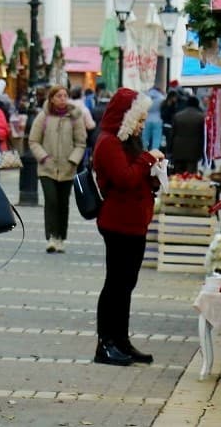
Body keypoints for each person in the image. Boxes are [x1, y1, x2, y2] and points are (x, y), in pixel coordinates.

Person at [91, 87, 163, 367]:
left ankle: (121, 340)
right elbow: (124, 179)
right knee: (116, 284)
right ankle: (105, 343)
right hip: (117, 222)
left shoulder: (128, 141)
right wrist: (147, 160)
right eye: (140, 119)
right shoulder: (108, 142)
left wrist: (155, 173)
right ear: (126, 117)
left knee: (126, 284)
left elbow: (139, 176)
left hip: (135, 222)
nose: (143, 124)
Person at [28, 85, 87, 253]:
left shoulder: (75, 117)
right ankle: (52, 237)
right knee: (51, 201)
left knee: (63, 203)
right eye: (59, 95)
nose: (63, 98)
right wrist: (43, 157)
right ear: (52, 98)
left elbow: (81, 143)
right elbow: (33, 141)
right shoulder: (43, 117)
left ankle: (61, 236)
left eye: (65, 95)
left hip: (67, 168)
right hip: (47, 168)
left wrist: (73, 160)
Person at [168, 94, 206, 175]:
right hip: (193, 151)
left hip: (178, 150)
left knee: (177, 176)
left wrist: (169, 149)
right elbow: (203, 136)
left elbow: (172, 134)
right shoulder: (201, 117)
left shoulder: (177, 116)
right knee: (190, 176)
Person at [142, 85, 165, 151]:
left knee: (145, 138)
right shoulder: (161, 97)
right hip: (158, 119)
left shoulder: (146, 96)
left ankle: (144, 152)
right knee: (156, 139)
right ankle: (155, 153)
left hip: (147, 119)